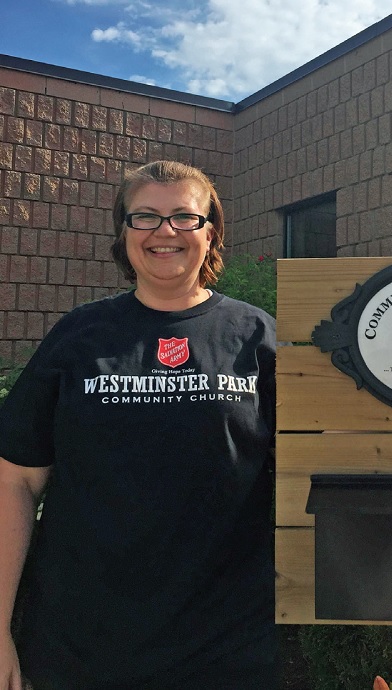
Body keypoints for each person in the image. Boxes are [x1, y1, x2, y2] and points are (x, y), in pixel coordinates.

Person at [0, 161, 277, 690]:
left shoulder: (256, 336)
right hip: (77, 647)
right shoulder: (80, 336)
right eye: (144, 216)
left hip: (225, 649)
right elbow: (14, 479)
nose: (164, 231)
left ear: (211, 231)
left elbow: (315, 477)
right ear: (123, 232)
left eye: (183, 217)